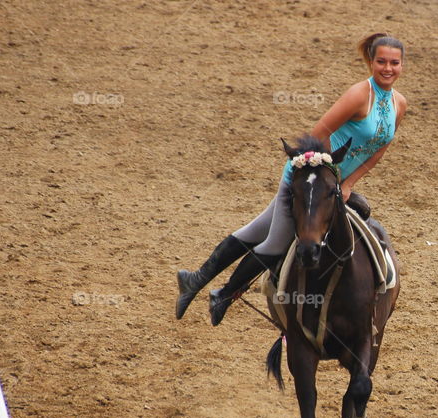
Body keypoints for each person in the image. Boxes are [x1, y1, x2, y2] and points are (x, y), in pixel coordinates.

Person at [175, 33, 408, 326]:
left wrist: (347, 184)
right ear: (371, 62)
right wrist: (322, 178)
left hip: (332, 185)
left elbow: (378, 151)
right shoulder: (359, 95)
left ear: (402, 65)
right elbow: (318, 135)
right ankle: (223, 294)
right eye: (382, 62)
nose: (388, 68)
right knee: (276, 242)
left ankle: (195, 280)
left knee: (256, 230)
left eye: (394, 63)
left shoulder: (399, 104)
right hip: (309, 178)